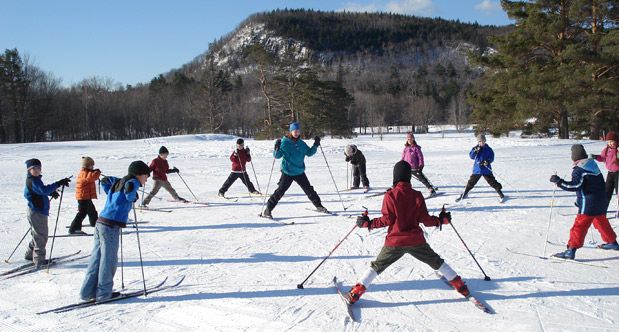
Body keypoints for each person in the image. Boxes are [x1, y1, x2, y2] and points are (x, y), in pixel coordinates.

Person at [344, 160, 470, 304]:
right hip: (416, 241)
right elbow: (425, 219)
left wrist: (369, 223)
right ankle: (460, 285)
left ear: (395, 176)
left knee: (377, 266)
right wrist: (441, 220)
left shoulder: (390, 195)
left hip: (395, 241)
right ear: (409, 177)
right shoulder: (417, 195)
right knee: (436, 261)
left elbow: (387, 219)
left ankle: (355, 293)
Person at [79, 161, 151, 302]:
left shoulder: (119, 181)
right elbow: (131, 191)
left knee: (97, 258)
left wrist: (112, 192)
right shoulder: (133, 181)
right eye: (145, 176)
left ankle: (86, 293)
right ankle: (104, 293)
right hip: (111, 225)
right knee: (109, 260)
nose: (146, 179)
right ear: (138, 174)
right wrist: (133, 197)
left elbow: (106, 180)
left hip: (101, 222)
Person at [550, 144, 619, 259]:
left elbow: (575, 185)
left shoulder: (579, 169)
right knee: (601, 222)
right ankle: (612, 242)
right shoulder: (592, 165)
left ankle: (571, 250)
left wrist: (559, 181)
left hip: (589, 204)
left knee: (579, 226)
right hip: (601, 201)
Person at [262, 122, 328, 218]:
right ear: (291, 131)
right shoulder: (285, 143)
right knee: (280, 191)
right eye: (294, 130)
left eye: (298, 130)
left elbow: (309, 153)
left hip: (299, 171)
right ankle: (268, 209)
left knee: (309, 190)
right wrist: (276, 148)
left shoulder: (301, 143)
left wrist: (315, 145)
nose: (297, 132)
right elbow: (277, 156)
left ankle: (319, 206)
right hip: (288, 172)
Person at [23, 159, 71, 267]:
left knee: (37, 233)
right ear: (29, 171)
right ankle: (39, 260)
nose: (36, 171)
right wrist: (58, 184)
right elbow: (42, 190)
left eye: (38, 168)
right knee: (41, 235)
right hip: (37, 211)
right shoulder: (33, 181)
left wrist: (50, 193)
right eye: (33, 169)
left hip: (36, 210)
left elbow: (40, 192)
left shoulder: (35, 180)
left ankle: (30, 254)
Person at [457, 134, 504, 202]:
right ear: (478, 142)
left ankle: (500, 192)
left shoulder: (488, 149)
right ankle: (464, 193)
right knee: (471, 182)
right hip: (477, 170)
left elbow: (492, 158)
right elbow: (472, 157)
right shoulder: (475, 148)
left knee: (492, 182)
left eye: (483, 141)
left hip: (486, 169)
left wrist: (487, 161)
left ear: (485, 141)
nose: (481, 142)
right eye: (480, 141)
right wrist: (474, 151)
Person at [68, 157, 101, 234]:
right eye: (91, 166)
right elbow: (92, 177)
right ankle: (74, 228)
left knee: (92, 211)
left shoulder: (86, 172)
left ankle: (95, 224)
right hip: (83, 197)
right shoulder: (84, 173)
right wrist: (97, 172)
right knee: (82, 212)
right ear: (87, 166)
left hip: (85, 196)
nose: (93, 167)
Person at [591, 131, 618, 211]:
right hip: (610, 174)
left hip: (618, 174)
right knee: (606, 192)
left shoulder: (618, 150)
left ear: (616, 141)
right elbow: (602, 158)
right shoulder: (606, 150)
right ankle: (603, 209)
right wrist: (595, 157)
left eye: (611, 142)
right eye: (608, 142)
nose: (610, 143)